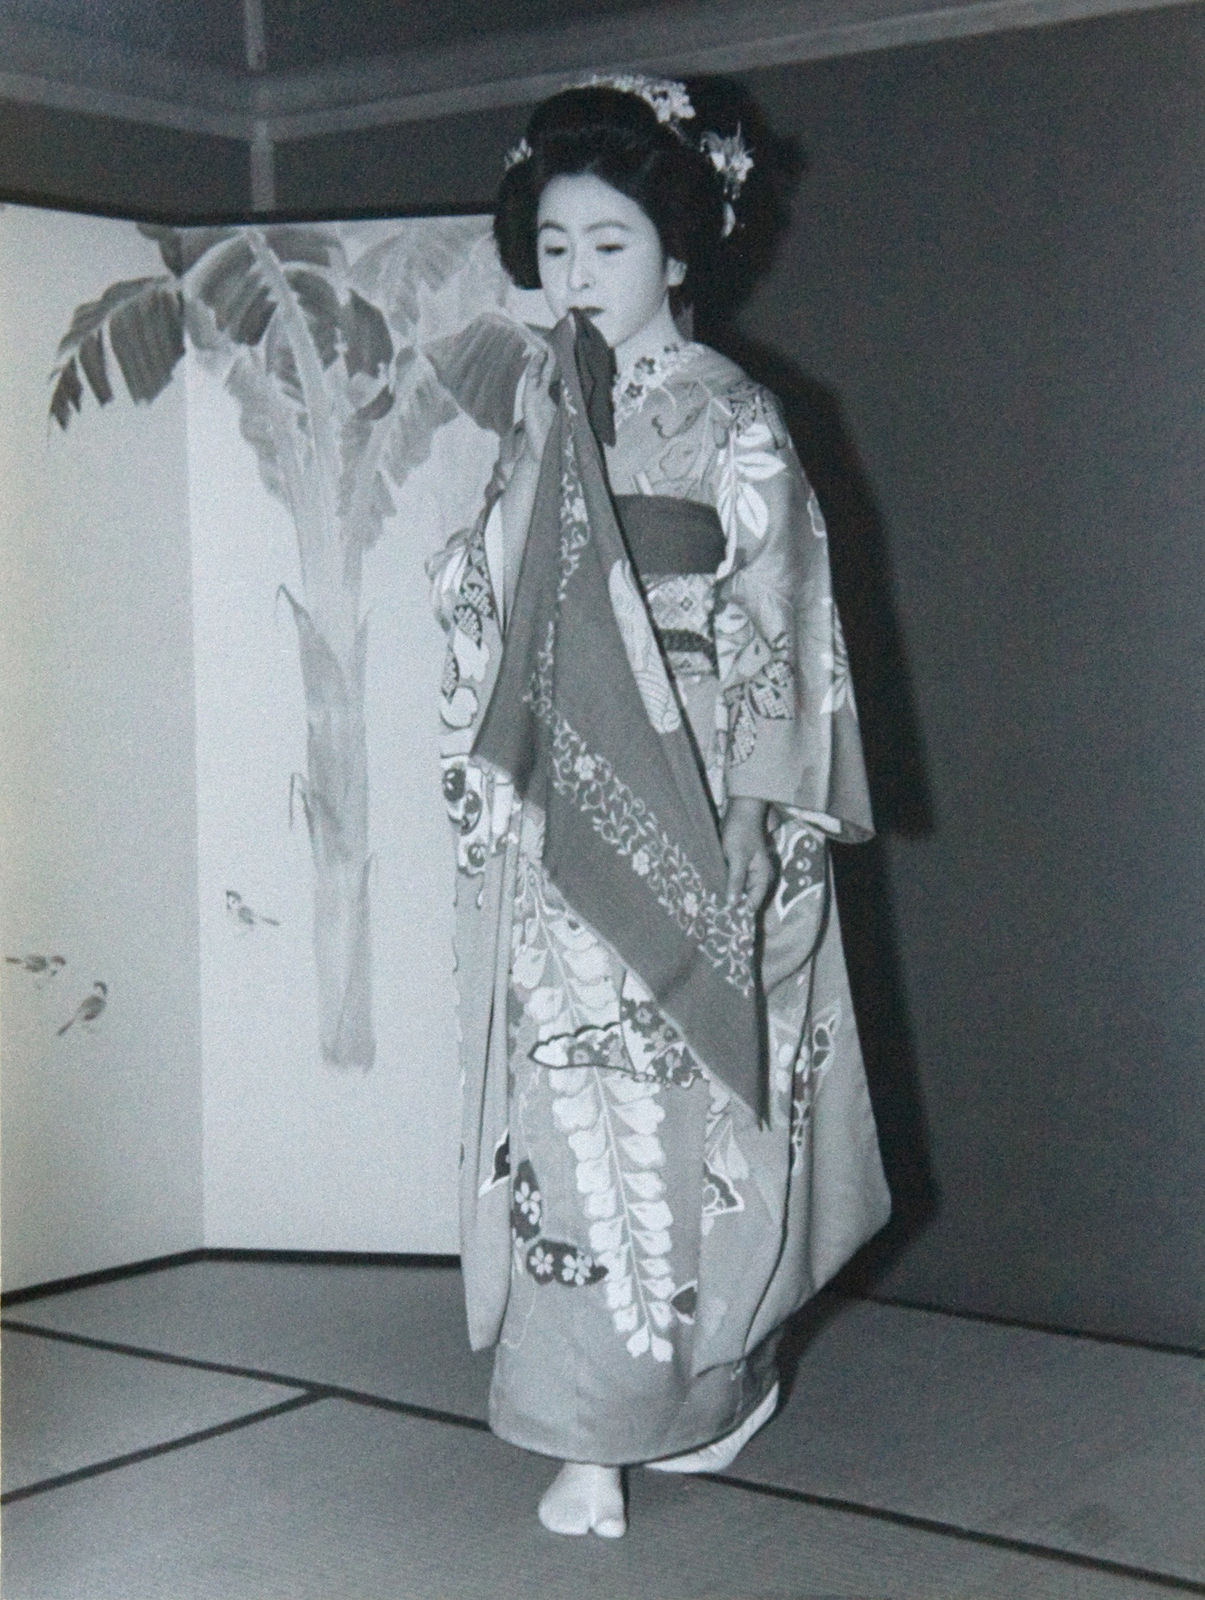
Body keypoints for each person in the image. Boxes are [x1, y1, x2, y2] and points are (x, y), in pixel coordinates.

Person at [426, 76, 890, 1539]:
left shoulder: (735, 416)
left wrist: (758, 801)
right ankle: (596, 1430)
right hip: (564, 786)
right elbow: (487, 594)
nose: (575, 274)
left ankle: (701, 1388)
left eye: (609, 244)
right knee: (572, 1108)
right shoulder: (535, 403)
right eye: (554, 245)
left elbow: (783, 611)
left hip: (689, 787)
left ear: (679, 251)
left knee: (684, 1110)